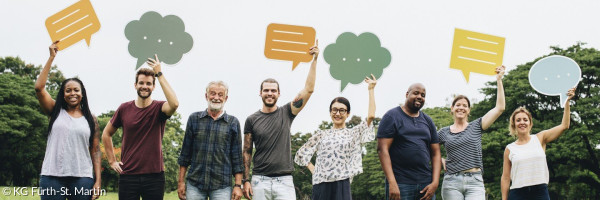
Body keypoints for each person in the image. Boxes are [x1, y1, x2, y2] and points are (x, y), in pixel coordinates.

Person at [242, 41, 319, 200]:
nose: (269, 93)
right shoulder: (251, 120)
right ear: (260, 93)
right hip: (259, 181)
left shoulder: (287, 112)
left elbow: (309, 89)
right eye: (266, 90)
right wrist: (245, 180)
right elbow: (247, 152)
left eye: (273, 90)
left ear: (279, 93)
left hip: (284, 181)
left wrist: (315, 60)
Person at [102, 54, 179, 200]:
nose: (145, 86)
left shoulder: (159, 108)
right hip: (128, 175)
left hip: (154, 177)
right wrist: (112, 160)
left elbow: (174, 104)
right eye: (141, 83)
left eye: (149, 83)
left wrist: (159, 73)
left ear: (153, 86)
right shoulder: (124, 109)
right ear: (135, 85)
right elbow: (106, 134)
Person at [35, 41, 102, 200]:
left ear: (82, 94)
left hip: (82, 178)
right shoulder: (55, 111)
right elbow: (39, 88)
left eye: (76, 90)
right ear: (63, 94)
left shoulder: (91, 119)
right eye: (68, 90)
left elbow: (96, 150)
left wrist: (98, 181)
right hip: (52, 176)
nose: (73, 93)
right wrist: (51, 57)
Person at [294, 74, 378, 200]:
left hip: (342, 182)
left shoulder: (353, 133)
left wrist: (371, 89)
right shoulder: (321, 135)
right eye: (334, 110)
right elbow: (301, 154)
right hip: (320, 183)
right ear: (330, 112)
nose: (337, 113)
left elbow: (371, 116)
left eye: (342, 110)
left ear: (348, 114)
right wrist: (314, 169)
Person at [438, 66, 506, 199]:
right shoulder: (443, 132)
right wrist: (440, 159)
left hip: (475, 182)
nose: (461, 108)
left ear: (469, 110)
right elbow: (427, 147)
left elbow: (500, 108)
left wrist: (499, 80)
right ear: (452, 109)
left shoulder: (477, 126)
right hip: (452, 181)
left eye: (465, 106)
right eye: (458, 105)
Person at [500, 88, 576, 200]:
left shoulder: (540, 138)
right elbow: (506, 178)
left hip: (540, 192)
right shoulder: (509, 149)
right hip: (517, 193)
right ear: (514, 124)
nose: (522, 122)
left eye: (525, 120)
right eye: (518, 120)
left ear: (530, 123)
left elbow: (564, 125)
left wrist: (567, 101)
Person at [177, 81, 244, 200]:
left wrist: (238, 185)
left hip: (222, 186)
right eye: (212, 93)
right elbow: (185, 154)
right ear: (206, 96)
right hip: (195, 184)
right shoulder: (194, 119)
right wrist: (181, 182)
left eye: (220, 94)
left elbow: (237, 159)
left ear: (226, 98)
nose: (216, 98)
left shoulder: (233, 123)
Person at [377, 83, 441, 200]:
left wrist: (435, 183)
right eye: (416, 93)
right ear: (407, 94)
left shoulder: (428, 120)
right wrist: (392, 183)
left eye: (423, 95)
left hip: (426, 184)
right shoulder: (392, 116)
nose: (420, 97)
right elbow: (382, 150)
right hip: (401, 183)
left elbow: (436, 153)